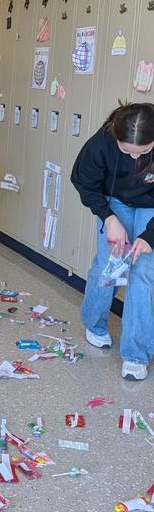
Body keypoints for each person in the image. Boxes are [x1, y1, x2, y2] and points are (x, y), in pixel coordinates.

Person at [71, 102, 154, 382]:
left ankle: (136, 354)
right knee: (111, 263)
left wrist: (149, 237)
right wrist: (108, 217)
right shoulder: (102, 142)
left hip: (150, 206)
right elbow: (84, 181)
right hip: (114, 201)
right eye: (125, 151)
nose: (133, 159)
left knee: (143, 273)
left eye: (142, 152)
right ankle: (94, 324)